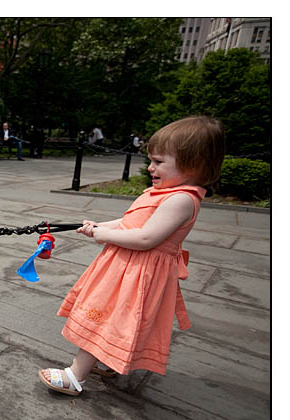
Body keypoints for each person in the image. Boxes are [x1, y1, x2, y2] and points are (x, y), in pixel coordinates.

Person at [38, 116, 225, 395]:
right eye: (151, 160)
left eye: (159, 162)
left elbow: (146, 238)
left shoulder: (181, 200)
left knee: (102, 318)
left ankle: (76, 376)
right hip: (125, 267)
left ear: (194, 163)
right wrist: (97, 226)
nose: (150, 167)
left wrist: (102, 235)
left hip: (136, 272)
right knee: (111, 319)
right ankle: (108, 359)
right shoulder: (165, 192)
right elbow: (130, 222)